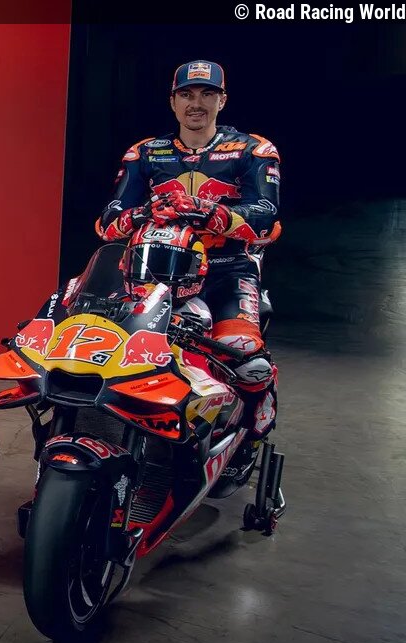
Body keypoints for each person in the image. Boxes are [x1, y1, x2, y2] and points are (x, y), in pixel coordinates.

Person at [95, 60, 280, 450]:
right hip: (153, 274)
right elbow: (109, 222)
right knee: (112, 347)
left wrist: (211, 213)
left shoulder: (252, 149)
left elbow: (266, 216)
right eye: (187, 95)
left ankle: (255, 411)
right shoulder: (145, 153)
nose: (196, 103)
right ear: (173, 102)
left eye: (207, 94)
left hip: (228, 271)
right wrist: (142, 213)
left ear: (222, 100)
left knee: (245, 354)